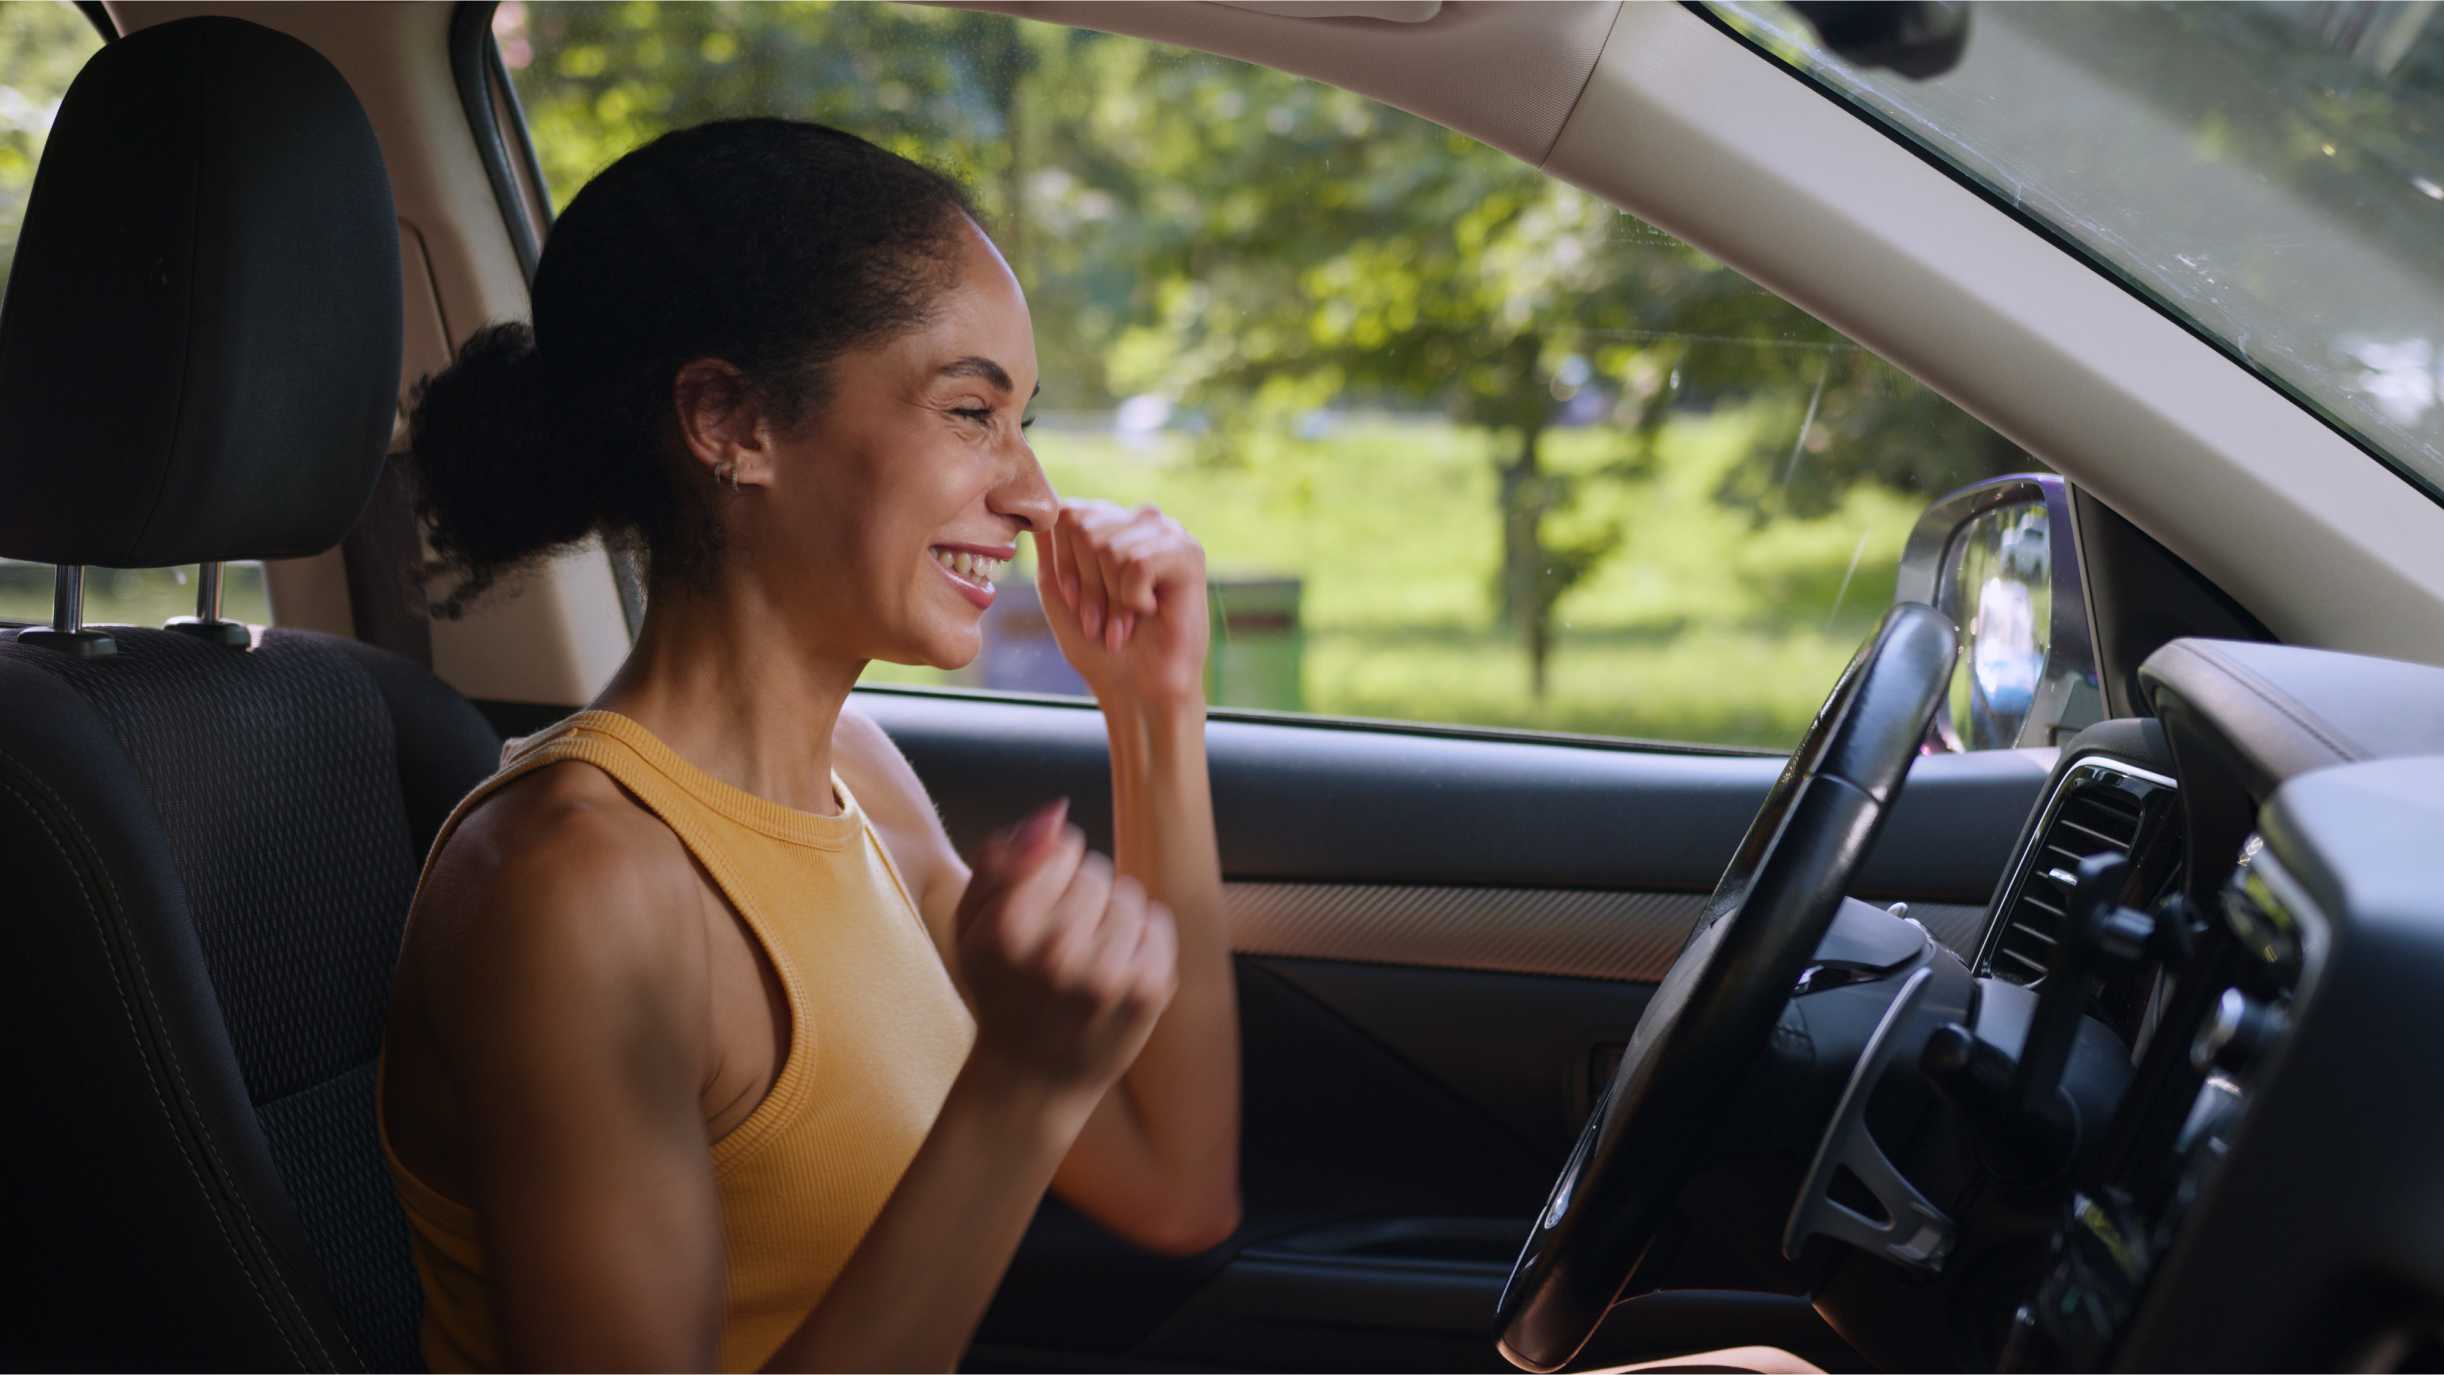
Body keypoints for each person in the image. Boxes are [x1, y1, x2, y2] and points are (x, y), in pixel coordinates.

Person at [379, 118, 1241, 1375]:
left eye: (1021, 420)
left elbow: (1179, 1191)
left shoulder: (860, 779)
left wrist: (1153, 707)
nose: (1033, 493)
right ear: (730, 421)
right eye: (970, 411)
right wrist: (1014, 1088)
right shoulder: (576, 885)